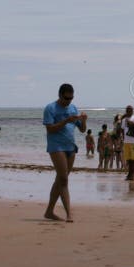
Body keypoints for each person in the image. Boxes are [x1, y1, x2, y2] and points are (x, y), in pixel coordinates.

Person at [42, 83, 87, 222]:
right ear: (60, 95)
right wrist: (66, 120)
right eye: (66, 98)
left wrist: (83, 121)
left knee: (60, 180)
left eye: (71, 98)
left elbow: (82, 130)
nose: (69, 101)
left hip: (70, 146)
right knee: (64, 180)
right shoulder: (50, 108)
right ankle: (69, 214)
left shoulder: (73, 108)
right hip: (56, 146)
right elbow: (50, 129)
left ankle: (49, 211)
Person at [120, 105, 134, 181]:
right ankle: (130, 175)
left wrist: (131, 123)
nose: (128, 111)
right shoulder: (124, 120)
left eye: (130, 110)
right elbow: (122, 129)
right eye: (127, 110)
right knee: (128, 160)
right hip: (126, 142)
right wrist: (122, 137)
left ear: (132, 111)